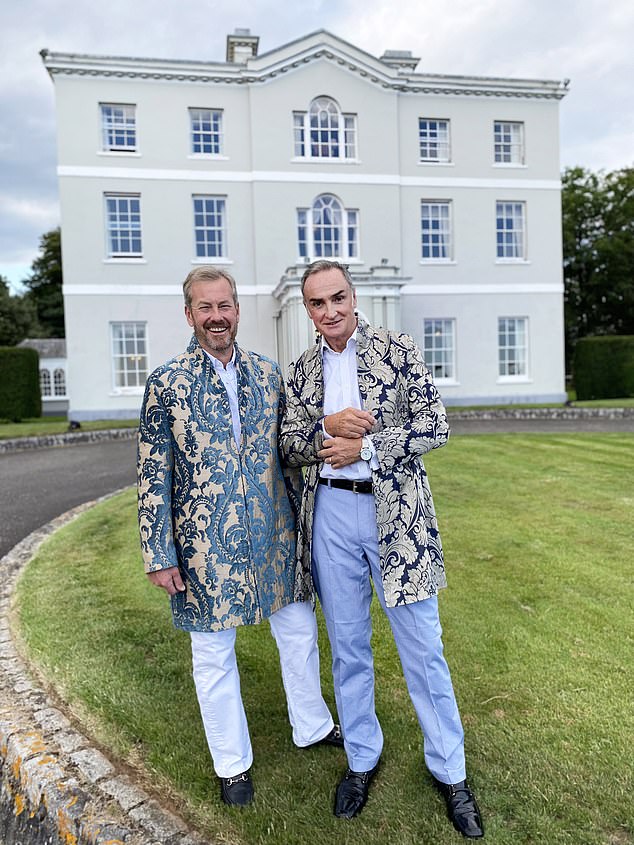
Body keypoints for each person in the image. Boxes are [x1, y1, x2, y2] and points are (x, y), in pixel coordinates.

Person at [279, 259, 484, 838]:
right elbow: (289, 444)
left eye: (337, 298)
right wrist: (327, 430)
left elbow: (436, 426)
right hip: (332, 519)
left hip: (398, 515)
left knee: (423, 647)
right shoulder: (300, 370)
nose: (330, 311)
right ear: (308, 309)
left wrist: (364, 447)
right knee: (348, 646)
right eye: (317, 303)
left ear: (353, 294)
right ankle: (361, 758)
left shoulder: (398, 349)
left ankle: (451, 771)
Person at [137, 265, 342, 808]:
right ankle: (232, 765)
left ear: (236, 309)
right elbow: (153, 473)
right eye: (205, 307)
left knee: (299, 633)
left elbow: (291, 449)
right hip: (205, 547)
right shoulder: (166, 384)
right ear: (189, 314)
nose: (217, 316)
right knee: (213, 656)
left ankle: (312, 726)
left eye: (224, 305)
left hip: (274, 534)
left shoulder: (268, 374)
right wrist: (159, 553)